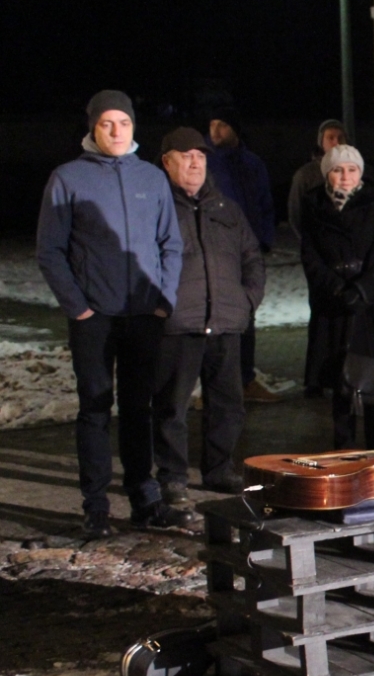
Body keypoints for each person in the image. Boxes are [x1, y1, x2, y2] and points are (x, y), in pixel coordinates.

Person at [37, 90, 186, 537]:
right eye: (107, 123)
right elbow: (50, 250)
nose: (117, 130)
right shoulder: (67, 179)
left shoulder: (152, 178)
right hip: (94, 317)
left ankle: (144, 499)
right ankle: (96, 506)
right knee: (96, 409)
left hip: (143, 314)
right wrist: (78, 307)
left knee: (139, 408)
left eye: (123, 122)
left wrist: (164, 299)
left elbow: (171, 244)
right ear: (93, 128)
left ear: (134, 126)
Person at [150, 127, 264, 504]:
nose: (195, 162)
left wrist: (246, 301)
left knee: (228, 404)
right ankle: (173, 476)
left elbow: (252, 258)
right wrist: (160, 305)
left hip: (226, 323)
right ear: (167, 162)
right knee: (172, 407)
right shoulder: (155, 206)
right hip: (179, 325)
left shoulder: (225, 208)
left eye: (200, 156)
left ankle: (218, 470)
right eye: (185, 155)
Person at [300, 145, 374, 449]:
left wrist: (361, 290)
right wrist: (335, 288)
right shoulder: (313, 208)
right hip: (333, 306)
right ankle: (343, 453)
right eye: (337, 170)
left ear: (360, 173)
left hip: (370, 307)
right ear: (326, 174)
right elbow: (310, 257)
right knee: (340, 386)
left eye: (351, 169)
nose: (345, 176)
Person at [207, 108, 281, 404]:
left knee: (246, 315)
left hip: (247, 251)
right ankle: (213, 384)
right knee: (214, 317)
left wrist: (264, 240)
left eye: (222, 125)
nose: (215, 131)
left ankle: (245, 378)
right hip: (215, 252)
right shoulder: (205, 162)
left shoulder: (252, 164)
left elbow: (265, 203)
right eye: (212, 124)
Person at [288, 119, 346, 236]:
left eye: (340, 138)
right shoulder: (306, 175)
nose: (337, 143)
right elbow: (296, 215)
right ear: (321, 143)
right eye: (330, 138)